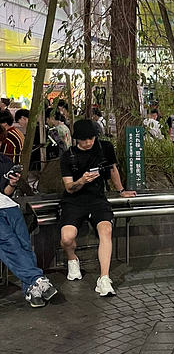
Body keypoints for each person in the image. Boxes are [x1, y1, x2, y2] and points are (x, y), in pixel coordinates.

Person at [59, 119, 136, 296]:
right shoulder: (68, 156)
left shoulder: (104, 148)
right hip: (74, 200)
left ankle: (104, 278)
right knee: (67, 238)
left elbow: (113, 170)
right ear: (76, 139)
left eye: (91, 139)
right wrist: (82, 181)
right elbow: (69, 187)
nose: (88, 143)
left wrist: (121, 190)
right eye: (83, 140)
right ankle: (72, 259)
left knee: (106, 230)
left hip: (97, 199)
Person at [0, 155, 57, 308]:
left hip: (8, 206)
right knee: (9, 243)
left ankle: (32, 290)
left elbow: (6, 192)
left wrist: (12, 182)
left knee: (24, 244)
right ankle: (38, 279)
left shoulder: (4, 161)